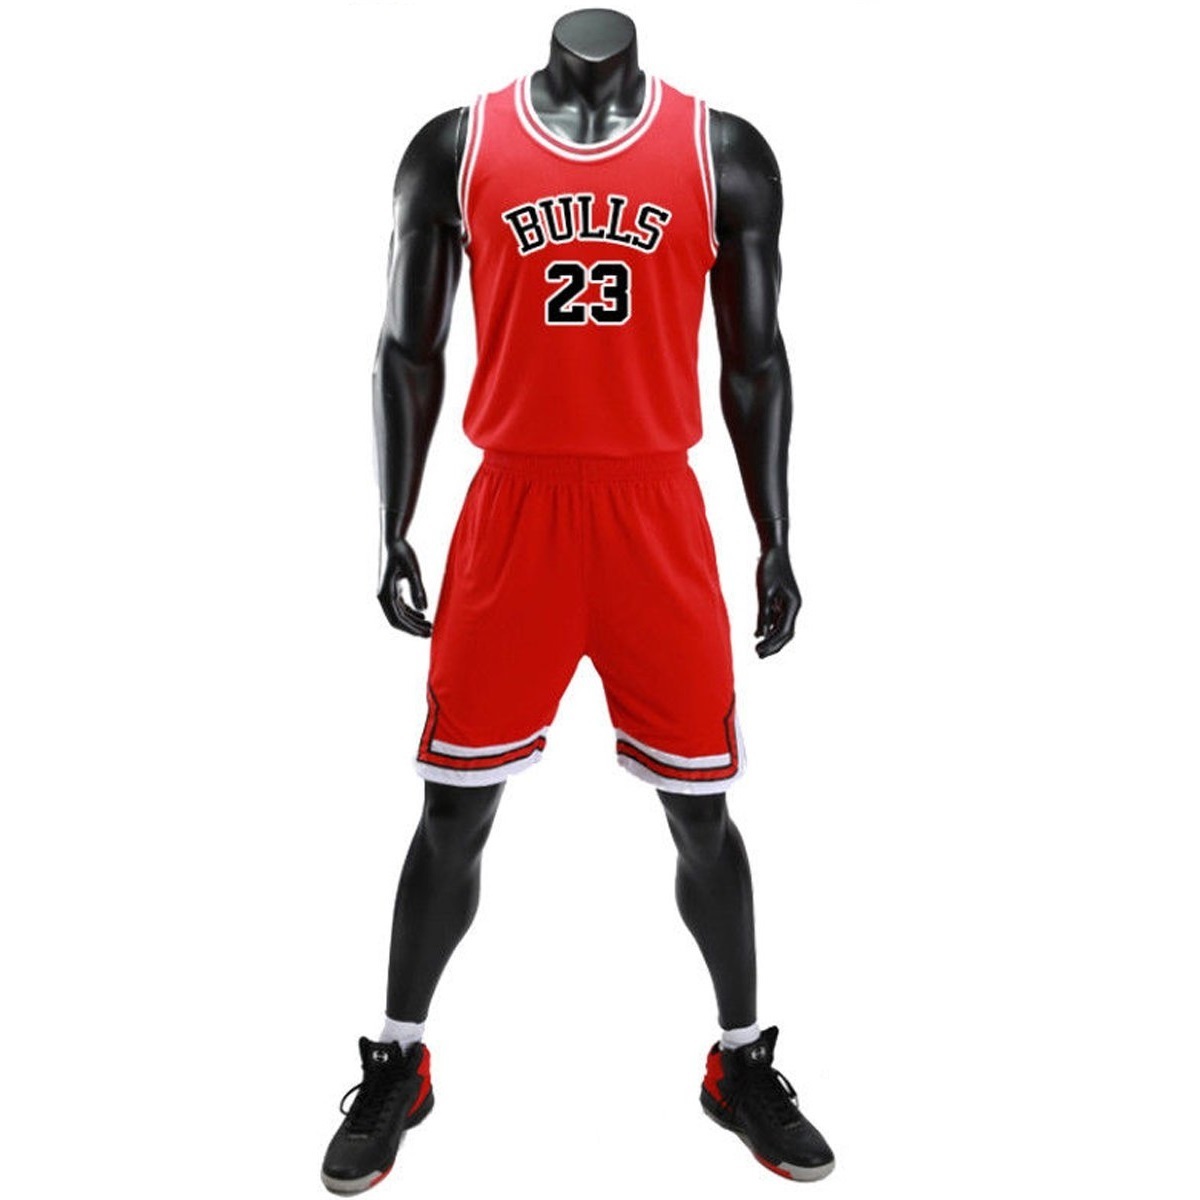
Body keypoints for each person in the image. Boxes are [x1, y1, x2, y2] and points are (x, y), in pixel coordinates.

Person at [321, 10, 834, 1192]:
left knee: (701, 809)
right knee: (454, 807)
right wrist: (394, 524)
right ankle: (398, 1060)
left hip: (657, 510)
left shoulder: (723, 150)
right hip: (513, 510)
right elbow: (406, 349)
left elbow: (756, 360)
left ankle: (741, 1064)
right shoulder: (456, 145)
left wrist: (776, 536)